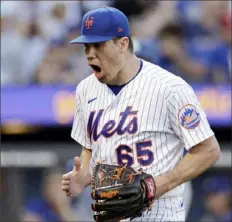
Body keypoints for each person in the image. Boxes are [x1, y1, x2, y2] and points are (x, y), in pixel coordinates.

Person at [61, 6, 220, 221]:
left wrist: (160, 184)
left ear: (122, 44)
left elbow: (208, 151)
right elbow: (90, 146)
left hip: (160, 214)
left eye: (98, 45)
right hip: (111, 213)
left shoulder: (170, 88)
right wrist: (83, 176)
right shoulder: (85, 90)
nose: (90, 54)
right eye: (86, 46)